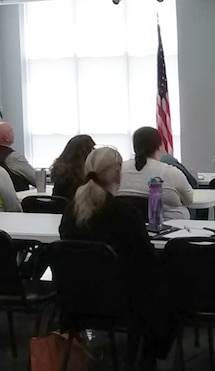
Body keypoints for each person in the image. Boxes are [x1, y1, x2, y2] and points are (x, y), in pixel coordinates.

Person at [59, 147, 172, 368]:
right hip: (123, 303)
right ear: (119, 174)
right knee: (167, 290)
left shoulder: (70, 212)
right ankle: (149, 357)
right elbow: (147, 264)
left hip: (75, 301)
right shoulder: (125, 214)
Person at [118, 127, 193, 220]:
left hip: (129, 227)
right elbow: (189, 200)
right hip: (172, 228)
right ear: (160, 146)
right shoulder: (171, 172)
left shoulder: (119, 170)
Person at [0, 121, 37, 191]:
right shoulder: (13, 157)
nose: (14, 133)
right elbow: (37, 180)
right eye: (11, 131)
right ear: (6, 138)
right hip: (17, 198)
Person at [50, 134, 95, 200]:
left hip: (58, 209)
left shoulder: (61, 171)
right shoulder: (83, 176)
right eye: (92, 149)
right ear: (86, 152)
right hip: (75, 208)